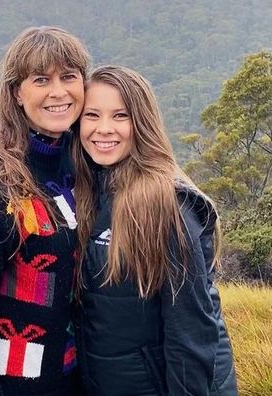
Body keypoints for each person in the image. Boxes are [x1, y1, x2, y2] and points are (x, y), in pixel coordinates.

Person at [72, 65, 238, 396]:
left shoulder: (168, 204)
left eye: (120, 116)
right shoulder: (87, 194)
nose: (104, 129)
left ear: (142, 123)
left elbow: (191, 331)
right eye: (92, 115)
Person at [0, 26, 90, 396]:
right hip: (8, 386)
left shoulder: (84, 167)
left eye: (69, 77)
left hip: (74, 379)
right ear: (17, 94)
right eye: (41, 79)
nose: (58, 92)